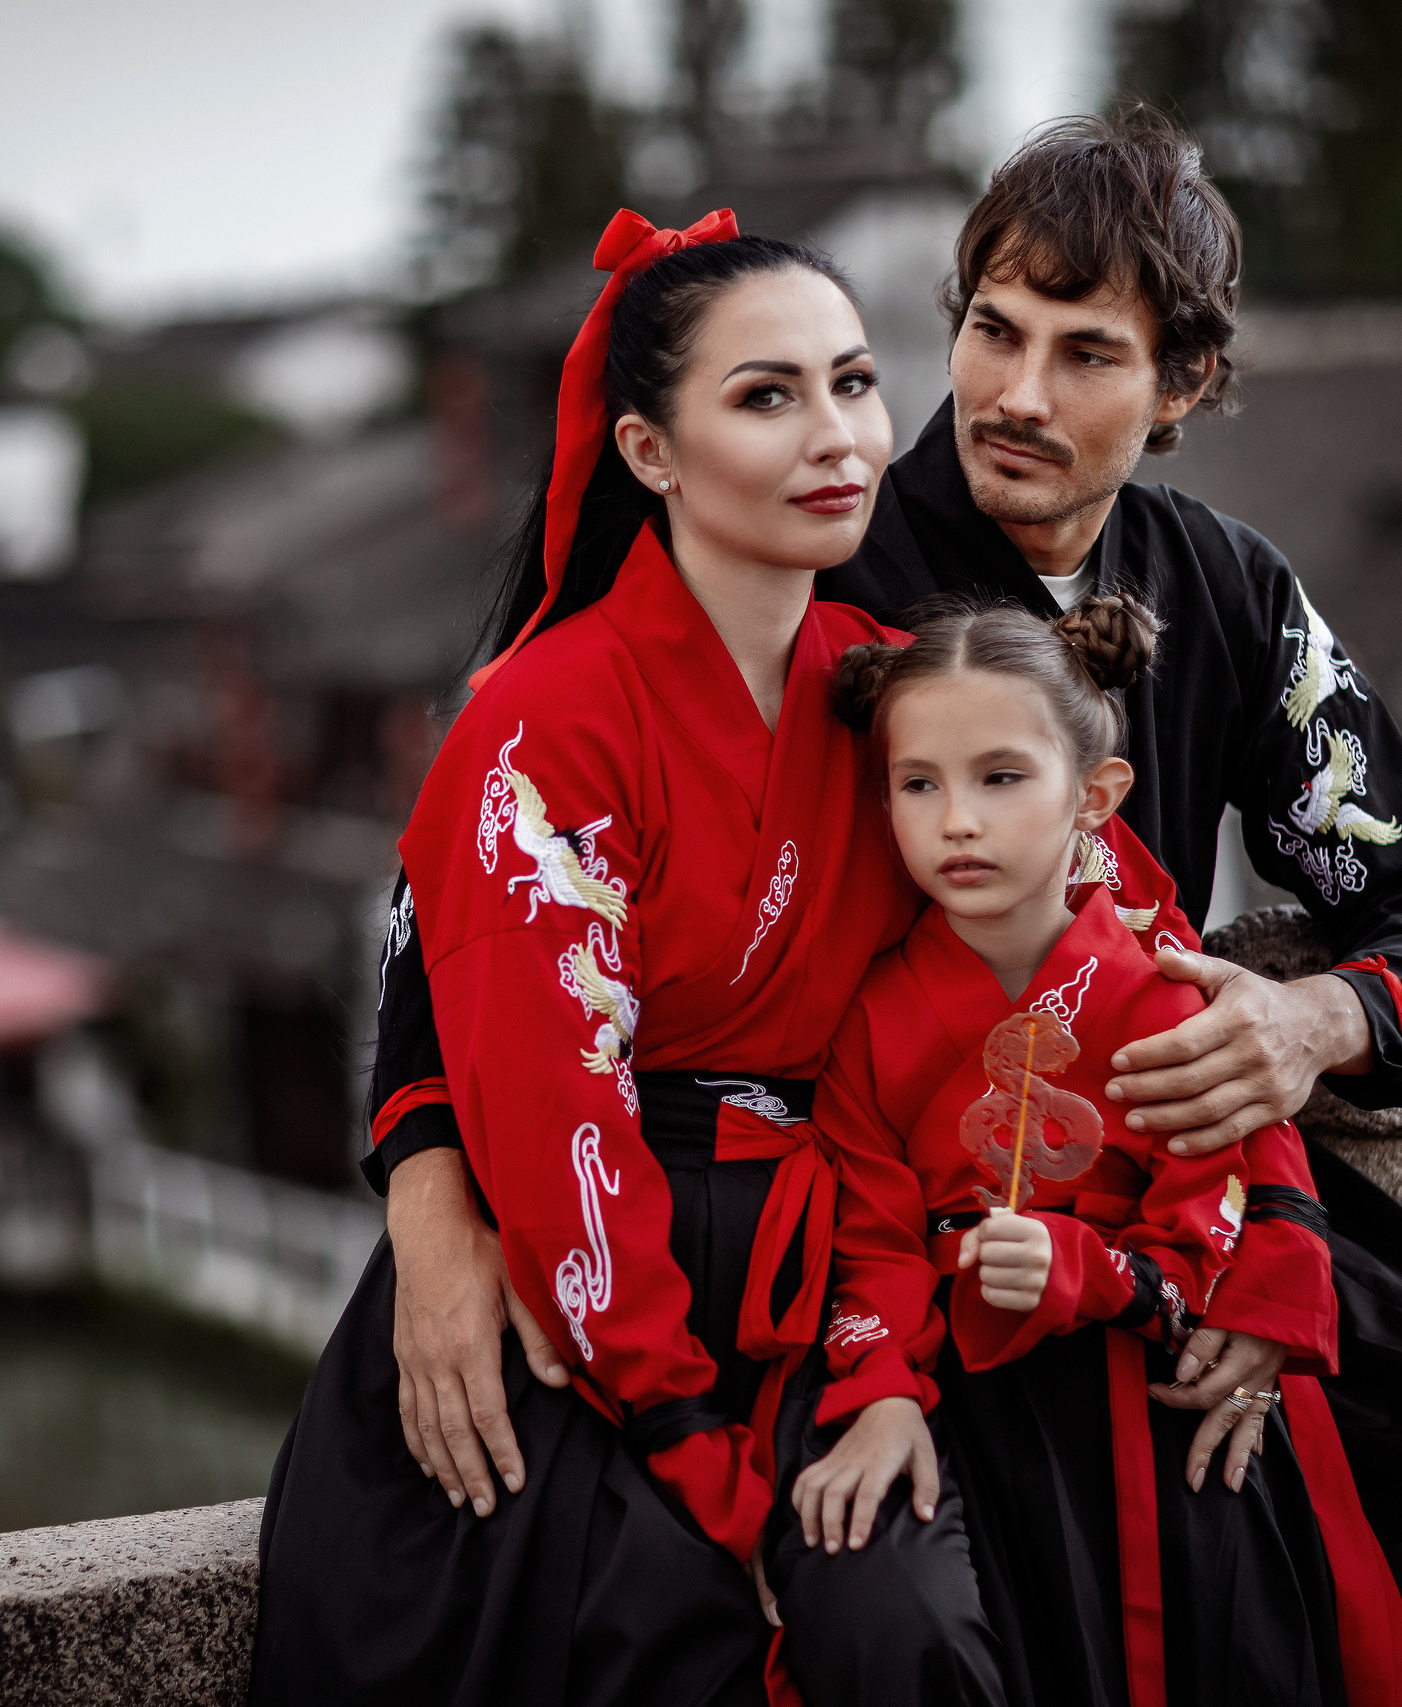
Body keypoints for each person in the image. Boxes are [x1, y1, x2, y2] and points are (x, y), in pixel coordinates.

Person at [364, 113, 1402, 1705]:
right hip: (917, 1213)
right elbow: (468, 895)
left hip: (1194, 1158)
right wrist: (433, 1193)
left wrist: (1309, 1020)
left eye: (1088, 355)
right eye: (993, 333)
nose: (1014, 395)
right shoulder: (834, 558)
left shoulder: (1231, 588)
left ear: (1185, 385)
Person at [254, 211, 998, 1707]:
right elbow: (551, 1112)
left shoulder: (906, 691)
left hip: (832, 1260)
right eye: (766, 395)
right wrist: (683, 1432)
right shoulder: (545, 719)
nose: (837, 434)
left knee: (918, 1614)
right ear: (649, 452)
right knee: (648, 1623)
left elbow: (1062, 937)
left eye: (854, 383)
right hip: (587, 1285)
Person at [796, 594, 1402, 1707]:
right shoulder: (869, 1020)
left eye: (1000, 778)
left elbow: (1208, 1203)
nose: (956, 822)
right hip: (974, 1416)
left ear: (1095, 795)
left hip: (1156, 1390)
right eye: (917, 783)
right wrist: (884, 1389)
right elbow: (869, 1238)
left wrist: (1090, 1271)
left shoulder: (1159, 992)